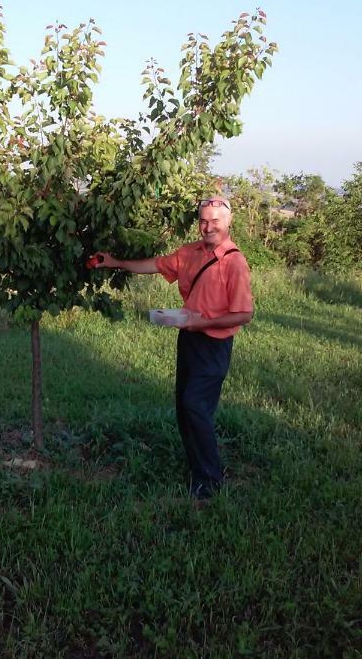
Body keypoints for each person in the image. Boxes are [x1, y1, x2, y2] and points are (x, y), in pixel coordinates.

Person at [96, 197, 253, 500]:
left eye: (215, 221)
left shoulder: (234, 262)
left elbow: (244, 314)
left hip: (214, 344)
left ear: (228, 222)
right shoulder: (190, 253)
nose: (208, 227)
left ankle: (210, 482)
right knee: (184, 408)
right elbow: (155, 265)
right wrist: (116, 262)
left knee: (196, 405)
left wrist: (204, 321)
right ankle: (197, 466)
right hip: (189, 338)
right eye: (203, 221)